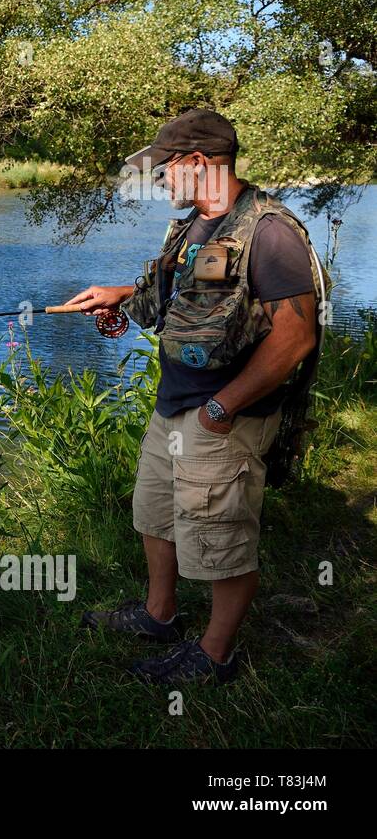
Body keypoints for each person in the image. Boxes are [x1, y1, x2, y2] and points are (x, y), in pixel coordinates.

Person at [68, 108, 326, 684]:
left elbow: (296, 335)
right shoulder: (191, 226)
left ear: (198, 162)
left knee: (219, 537)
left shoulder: (270, 230)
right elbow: (169, 297)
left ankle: (216, 656)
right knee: (155, 515)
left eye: (163, 169)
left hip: (222, 417)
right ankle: (159, 615)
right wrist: (119, 298)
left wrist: (222, 407)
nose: (158, 180)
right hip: (174, 404)